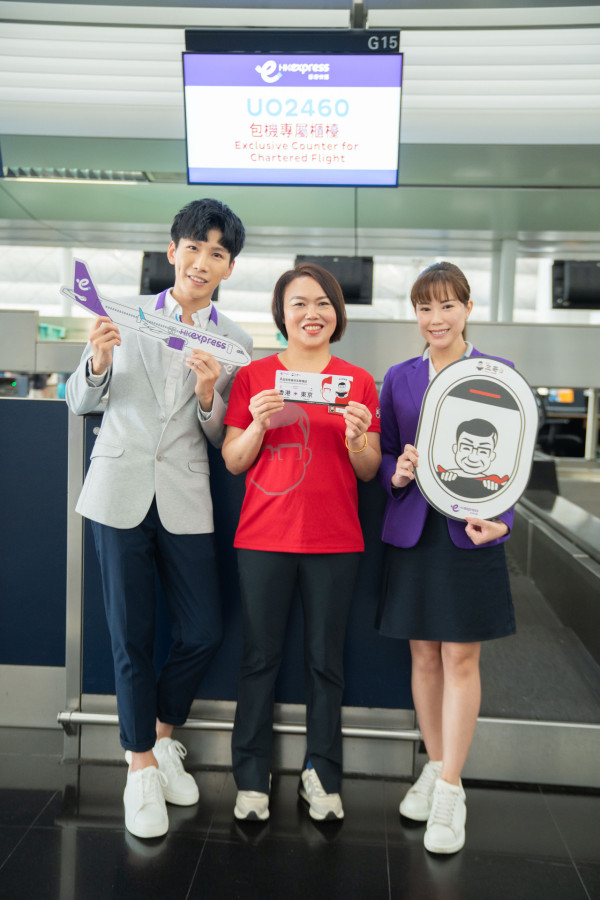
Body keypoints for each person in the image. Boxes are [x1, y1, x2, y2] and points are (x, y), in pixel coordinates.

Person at [65, 198, 252, 839]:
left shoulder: (236, 344)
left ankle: (161, 736)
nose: (202, 262)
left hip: (185, 496)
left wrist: (208, 396)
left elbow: (220, 430)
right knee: (131, 637)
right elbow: (77, 400)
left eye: (217, 254)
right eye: (193, 248)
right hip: (117, 489)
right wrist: (95, 360)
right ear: (172, 251)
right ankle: (140, 768)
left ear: (229, 268)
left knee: (202, 629)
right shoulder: (123, 315)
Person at [222, 261, 381, 823]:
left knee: (325, 662)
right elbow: (235, 460)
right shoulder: (253, 377)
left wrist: (360, 437)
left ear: (336, 314)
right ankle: (251, 776)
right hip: (263, 536)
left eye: (323, 303)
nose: (312, 313)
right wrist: (260, 425)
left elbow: (367, 471)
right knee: (259, 657)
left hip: (336, 539)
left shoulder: (359, 381)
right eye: (299, 304)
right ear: (281, 314)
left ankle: (323, 775)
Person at [376, 261, 515, 855]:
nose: (436, 319)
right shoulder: (399, 376)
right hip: (414, 532)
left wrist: (502, 522)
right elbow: (383, 455)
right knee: (424, 655)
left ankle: (452, 788)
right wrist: (398, 473)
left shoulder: (498, 375)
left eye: (447, 306)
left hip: (468, 533)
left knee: (460, 658)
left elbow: (512, 464)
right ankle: (435, 766)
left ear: (467, 308)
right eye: (425, 308)